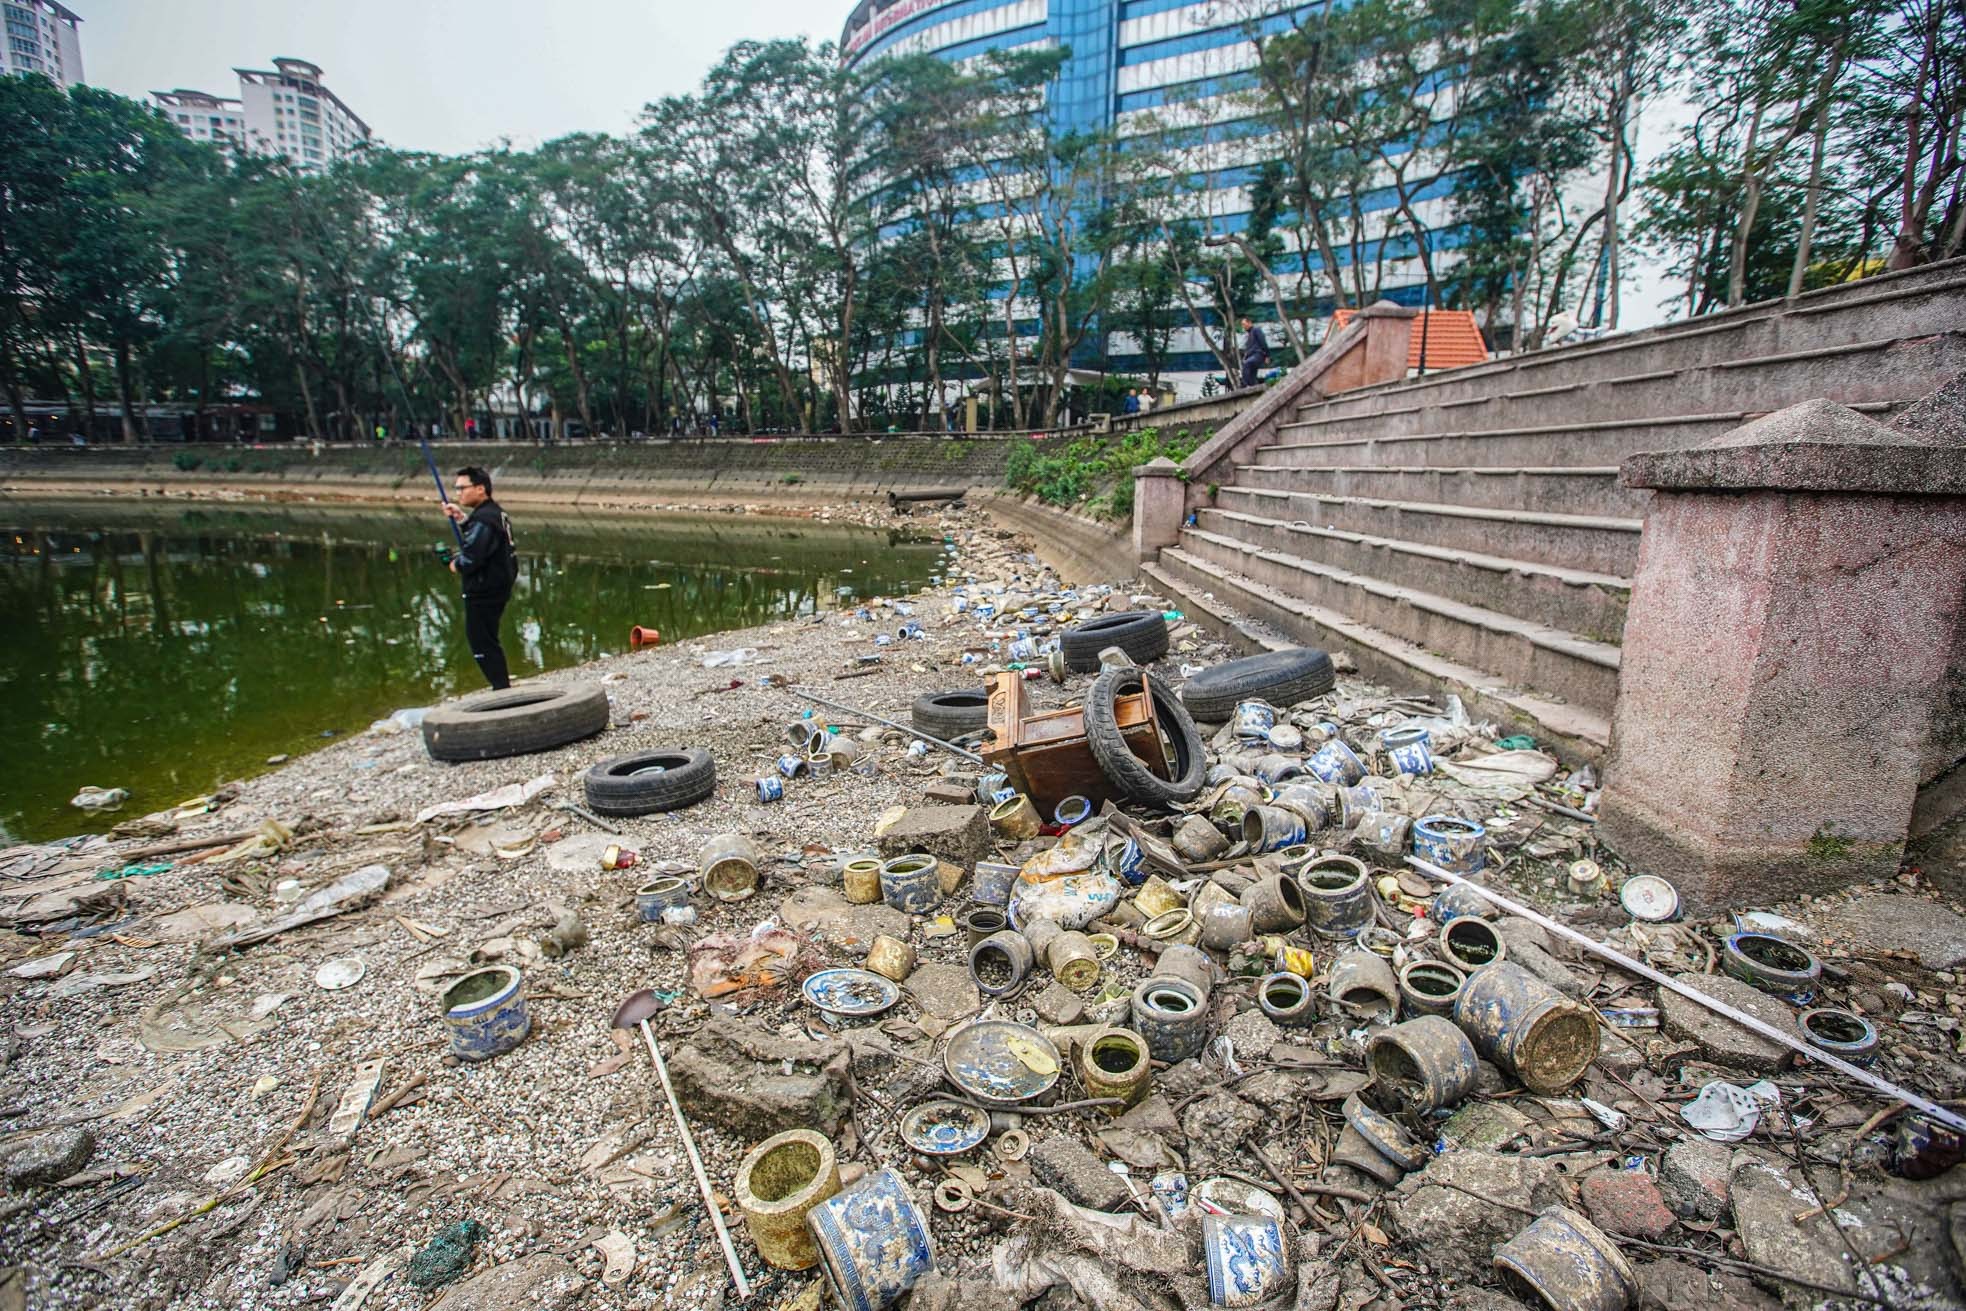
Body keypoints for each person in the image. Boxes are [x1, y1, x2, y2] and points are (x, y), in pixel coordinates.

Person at [444, 466, 518, 690]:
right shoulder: (494, 513)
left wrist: (455, 564)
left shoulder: (485, 520)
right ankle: (501, 686)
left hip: (485, 589)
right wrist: (463, 520)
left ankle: (501, 689)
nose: (458, 493)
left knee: (481, 641)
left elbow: (472, 558)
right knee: (488, 638)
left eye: (462, 488)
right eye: (456, 489)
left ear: (480, 489)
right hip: (499, 585)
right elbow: (487, 541)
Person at [1240, 316, 1270, 388]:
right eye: (1242, 325)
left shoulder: (1256, 330)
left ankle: (1245, 384)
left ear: (1249, 323)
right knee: (1252, 372)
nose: (1243, 326)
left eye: (1244, 324)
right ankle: (1253, 386)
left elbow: (1263, 342)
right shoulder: (1249, 334)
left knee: (1247, 364)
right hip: (1252, 355)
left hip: (1258, 354)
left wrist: (1267, 355)